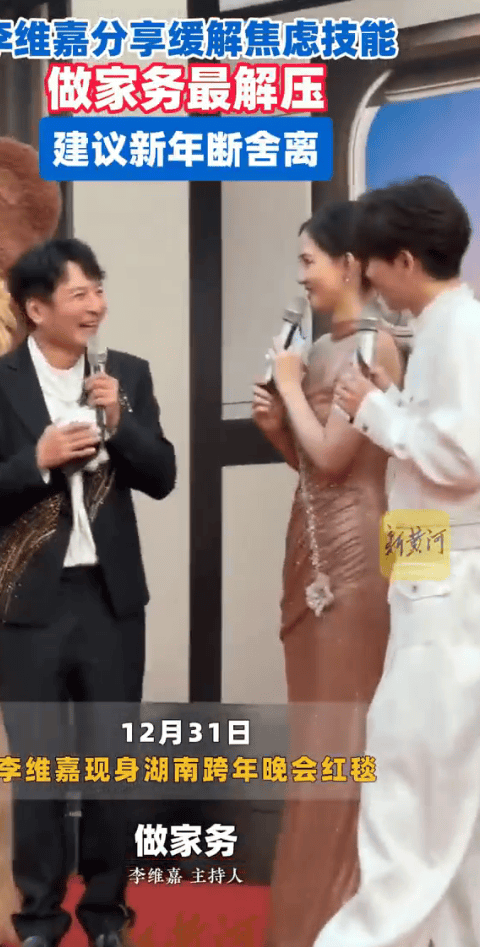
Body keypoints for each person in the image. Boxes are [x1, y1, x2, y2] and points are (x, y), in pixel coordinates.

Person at [0, 238, 176, 947]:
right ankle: (39, 918)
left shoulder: (125, 374)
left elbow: (162, 475)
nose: (95, 305)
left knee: (113, 765)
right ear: (36, 308)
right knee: (38, 768)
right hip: (31, 606)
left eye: (98, 290)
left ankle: (106, 915)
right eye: (79, 294)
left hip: (111, 601)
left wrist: (121, 424)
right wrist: (35, 461)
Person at [314, 176, 480, 947]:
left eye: (370, 263)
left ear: (405, 259)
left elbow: (464, 458)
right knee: (442, 794)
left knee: (407, 787)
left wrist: (374, 411)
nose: (366, 279)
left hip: (447, 593)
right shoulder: (446, 328)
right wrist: (395, 403)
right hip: (431, 581)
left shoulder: (458, 328)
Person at [252, 202, 404, 947]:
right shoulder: (315, 352)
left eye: (309, 261)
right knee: (314, 734)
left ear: (348, 265)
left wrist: (287, 391)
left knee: (343, 734)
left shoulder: (378, 345)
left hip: (359, 555)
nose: (302, 277)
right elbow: (312, 465)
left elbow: (343, 460)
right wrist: (277, 430)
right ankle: (303, 916)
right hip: (308, 543)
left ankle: (343, 916)